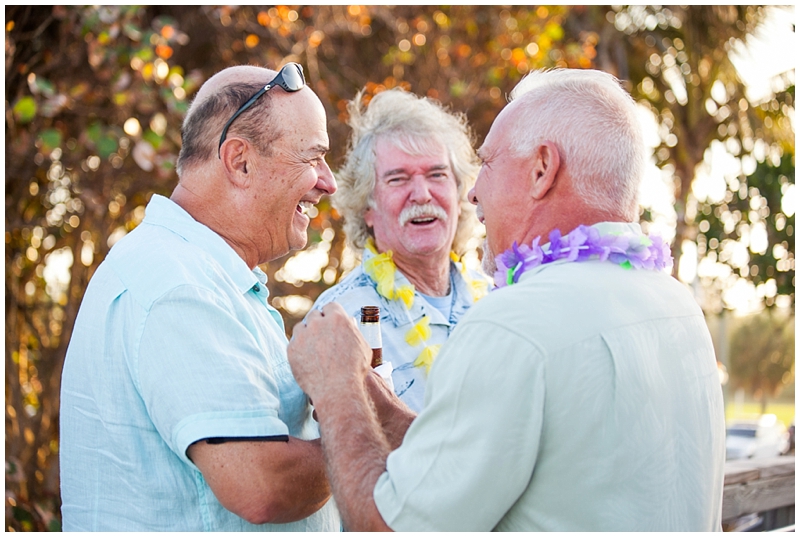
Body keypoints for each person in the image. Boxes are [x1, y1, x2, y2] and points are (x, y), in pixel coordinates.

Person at [287, 68, 726, 531]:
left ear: (542, 170)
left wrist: (338, 389)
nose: (474, 190)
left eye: (488, 163)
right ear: (368, 207)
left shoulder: (510, 321)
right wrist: (372, 398)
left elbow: (392, 527)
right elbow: (481, 451)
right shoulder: (678, 306)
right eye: (398, 179)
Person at [59, 63, 340, 531]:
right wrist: (359, 430)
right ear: (240, 161)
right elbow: (261, 485)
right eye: (313, 158)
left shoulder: (202, 274)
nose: (327, 182)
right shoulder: (179, 284)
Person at [309, 88, 487, 411]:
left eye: (437, 174)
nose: (421, 194)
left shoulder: (497, 300)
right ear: (367, 206)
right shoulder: (340, 319)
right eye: (398, 179)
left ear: (460, 193)